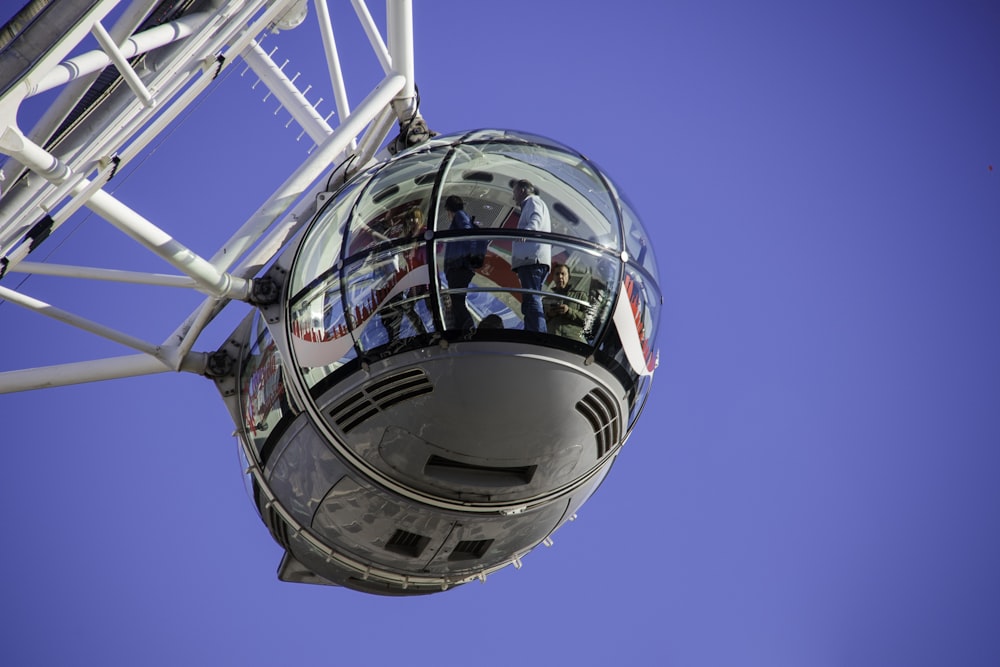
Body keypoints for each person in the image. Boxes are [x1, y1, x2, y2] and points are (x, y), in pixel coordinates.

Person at [380, 208, 427, 343]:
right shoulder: (406, 237)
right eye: (410, 219)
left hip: (421, 277)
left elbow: (418, 254)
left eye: (415, 218)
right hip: (411, 277)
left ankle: (423, 333)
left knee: (417, 306)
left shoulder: (423, 232)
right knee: (408, 307)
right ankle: (421, 333)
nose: (413, 221)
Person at [511, 179, 551, 332]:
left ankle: (538, 333)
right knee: (529, 299)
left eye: (514, 192)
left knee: (532, 298)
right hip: (531, 260)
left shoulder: (533, 202)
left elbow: (536, 220)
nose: (513, 197)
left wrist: (525, 233)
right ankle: (532, 330)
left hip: (532, 261)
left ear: (522, 191)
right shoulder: (532, 204)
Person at [442, 195, 476, 332]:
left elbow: (468, 234)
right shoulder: (461, 217)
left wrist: (468, 257)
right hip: (459, 267)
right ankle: (463, 328)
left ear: (449, 209)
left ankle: (467, 329)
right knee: (457, 301)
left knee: (457, 302)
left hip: (459, 267)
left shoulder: (460, 217)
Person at [543, 262, 588, 341]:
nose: (560, 277)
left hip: (574, 341)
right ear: (553, 278)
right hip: (552, 341)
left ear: (569, 277)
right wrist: (549, 315)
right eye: (557, 274)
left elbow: (589, 320)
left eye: (563, 274)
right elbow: (538, 321)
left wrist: (569, 311)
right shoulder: (546, 299)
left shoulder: (580, 296)